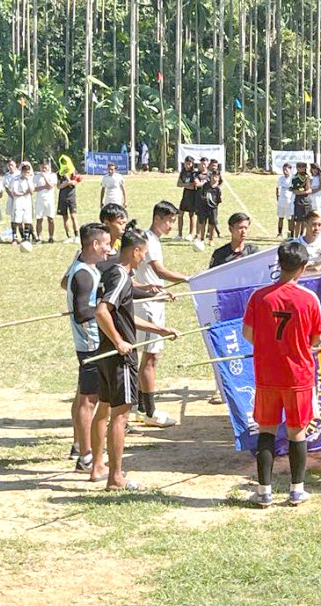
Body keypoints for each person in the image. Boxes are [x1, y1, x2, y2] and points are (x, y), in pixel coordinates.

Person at [91, 229, 177, 489]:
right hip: (119, 356)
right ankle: (116, 477)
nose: (144, 260)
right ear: (135, 251)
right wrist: (119, 341)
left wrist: (159, 329)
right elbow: (102, 311)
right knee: (121, 415)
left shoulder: (113, 273)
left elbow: (123, 314)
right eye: (143, 254)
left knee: (104, 409)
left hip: (106, 354)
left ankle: (97, 466)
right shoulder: (119, 277)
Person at [243, 241, 321, 507]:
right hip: (298, 376)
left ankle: (263, 491)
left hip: (267, 374)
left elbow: (248, 334)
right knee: (296, 432)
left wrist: (269, 346)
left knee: (266, 431)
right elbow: (316, 337)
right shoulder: (308, 299)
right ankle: (296, 490)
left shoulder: (260, 297)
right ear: (302, 268)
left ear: (279, 265)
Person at [133, 202, 187, 428]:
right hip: (147, 306)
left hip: (155, 301)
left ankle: (140, 406)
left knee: (150, 356)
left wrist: (163, 290)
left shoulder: (153, 240)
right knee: (150, 356)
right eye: (169, 220)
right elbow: (159, 271)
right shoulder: (148, 240)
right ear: (157, 218)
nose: (171, 226)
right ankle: (150, 411)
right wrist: (188, 278)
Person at [66, 223, 111, 474]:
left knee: (87, 396)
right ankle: (85, 457)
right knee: (88, 400)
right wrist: (107, 310)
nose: (109, 248)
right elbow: (83, 313)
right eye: (106, 244)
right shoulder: (82, 274)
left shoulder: (89, 268)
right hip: (90, 344)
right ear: (94, 245)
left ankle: (82, 449)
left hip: (93, 342)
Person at [10, 163, 35, 244]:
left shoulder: (30, 180)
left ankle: (26, 238)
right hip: (18, 201)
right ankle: (14, 238)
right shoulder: (16, 179)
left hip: (27, 201)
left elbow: (31, 191)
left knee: (27, 219)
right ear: (22, 172)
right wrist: (23, 193)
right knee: (17, 220)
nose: (26, 174)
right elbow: (15, 192)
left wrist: (28, 181)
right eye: (25, 172)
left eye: (28, 172)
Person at [33, 159, 57, 243]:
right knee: (39, 219)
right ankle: (39, 237)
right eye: (42, 167)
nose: (44, 169)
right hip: (40, 200)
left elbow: (50, 186)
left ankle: (51, 237)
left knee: (50, 219)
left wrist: (45, 177)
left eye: (45, 167)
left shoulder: (52, 175)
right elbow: (33, 189)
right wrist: (43, 187)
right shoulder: (36, 176)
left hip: (49, 200)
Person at [196, 171, 222, 245]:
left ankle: (211, 239)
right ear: (210, 177)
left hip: (213, 208)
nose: (214, 178)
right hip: (203, 207)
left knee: (212, 224)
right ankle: (201, 238)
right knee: (202, 223)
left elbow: (218, 200)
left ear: (218, 178)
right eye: (213, 176)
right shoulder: (205, 185)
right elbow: (201, 195)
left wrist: (214, 207)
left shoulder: (217, 189)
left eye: (216, 177)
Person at [176, 156, 198, 239]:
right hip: (185, 195)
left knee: (191, 215)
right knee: (180, 213)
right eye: (186, 163)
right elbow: (178, 184)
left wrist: (185, 185)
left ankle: (190, 234)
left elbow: (194, 186)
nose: (187, 165)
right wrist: (187, 185)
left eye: (189, 163)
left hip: (193, 196)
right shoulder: (183, 172)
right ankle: (179, 234)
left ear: (192, 164)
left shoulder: (194, 173)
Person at [290, 162, 312, 238]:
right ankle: (296, 237)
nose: (301, 169)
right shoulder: (295, 178)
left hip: (307, 201)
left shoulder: (307, 177)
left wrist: (303, 191)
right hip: (298, 201)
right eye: (299, 167)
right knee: (298, 221)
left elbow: (309, 190)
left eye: (303, 167)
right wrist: (304, 192)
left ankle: (305, 236)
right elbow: (295, 191)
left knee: (306, 221)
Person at [274, 161, 294, 238]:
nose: (285, 171)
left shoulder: (293, 178)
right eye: (283, 170)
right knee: (280, 217)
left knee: (290, 219)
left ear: (290, 170)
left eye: (286, 170)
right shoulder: (281, 178)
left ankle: (291, 234)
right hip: (281, 201)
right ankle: (279, 233)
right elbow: (277, 188)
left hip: (289, 202)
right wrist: (277, 197)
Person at [3, 159, 20, 241]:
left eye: (12, 165)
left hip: (20, 198)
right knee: (13, 218)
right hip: (11, 198)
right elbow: (6, 188)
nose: (10, 167)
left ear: (15, 165)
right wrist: (12, 196)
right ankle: (14, 236)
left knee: (21, 218)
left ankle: (26, 235)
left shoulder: (19, 174)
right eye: (9, 165)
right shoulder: (6, 176)